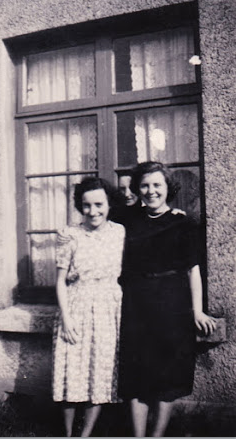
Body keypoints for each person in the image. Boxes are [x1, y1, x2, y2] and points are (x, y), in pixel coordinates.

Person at [118, 161, 216, 437]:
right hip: (135, 303)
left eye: (157, 185)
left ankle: (157, 436)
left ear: (167, 187)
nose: (151, 191)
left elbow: (192, 269)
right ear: (137, 188)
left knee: (168, 372)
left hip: (173, 304)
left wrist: (197, 311)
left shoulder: (182, 223)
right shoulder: (126, 220)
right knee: (135, 372)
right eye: (145, 185)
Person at [52, 177, 125, 437]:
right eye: (86, 205)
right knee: (73, 371)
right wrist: (67, 318)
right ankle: (69, 433)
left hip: (109, 308)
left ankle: (86, 435)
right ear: (79, 207)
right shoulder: (70, 235)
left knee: (100, 373)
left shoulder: (119, 232)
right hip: (77, 306)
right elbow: (60, 281)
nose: (93, 211)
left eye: (99, 204)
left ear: (109, 204)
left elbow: (149, 215)